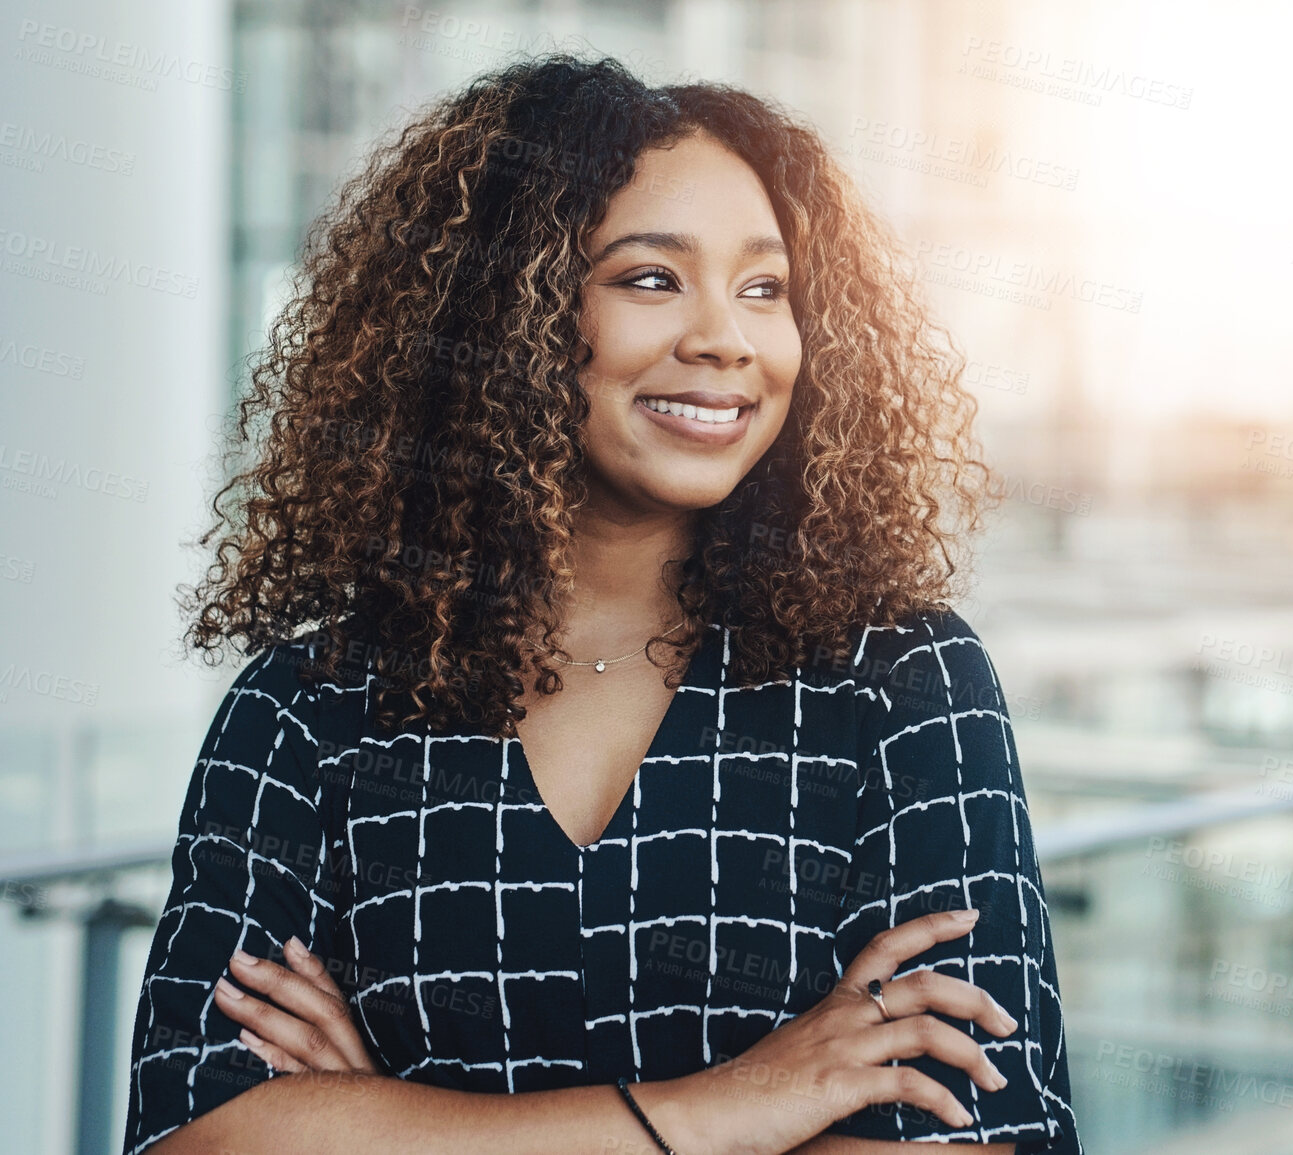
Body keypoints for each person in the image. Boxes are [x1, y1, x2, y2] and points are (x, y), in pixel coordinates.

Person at [122, 52, 1082, 1155]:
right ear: (498, 319)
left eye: (766, 288)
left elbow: (980, 1131)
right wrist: (721, 1111)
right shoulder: (308, 710)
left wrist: (388, 1123)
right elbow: (196, 1136)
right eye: (651, 279)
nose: (726, 337)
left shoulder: (902, 685)